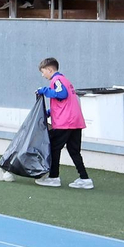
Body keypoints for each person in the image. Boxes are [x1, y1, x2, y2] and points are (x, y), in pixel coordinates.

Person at [35, 57, 92, 189]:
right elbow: (64, 103)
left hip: (65, 123)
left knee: (54, 148)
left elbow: (62, 94)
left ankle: (53, 177)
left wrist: (44, 90)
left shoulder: (57, 80)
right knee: (74, 151)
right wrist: (49, 112)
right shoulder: (65, 80)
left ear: (50, 70)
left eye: (43, 72)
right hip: (75, 122)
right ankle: (85, 179)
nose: (43, 75)